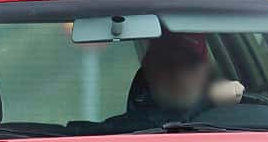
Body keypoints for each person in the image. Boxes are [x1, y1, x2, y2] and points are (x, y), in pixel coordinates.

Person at [100, 32, 243, 131]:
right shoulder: (120, 131)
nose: (176, 74)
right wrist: (210, 98)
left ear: (205, 73)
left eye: (188, 64)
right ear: (149, 72)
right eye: (165, 63)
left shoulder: (239, 123)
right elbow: (162, 123)